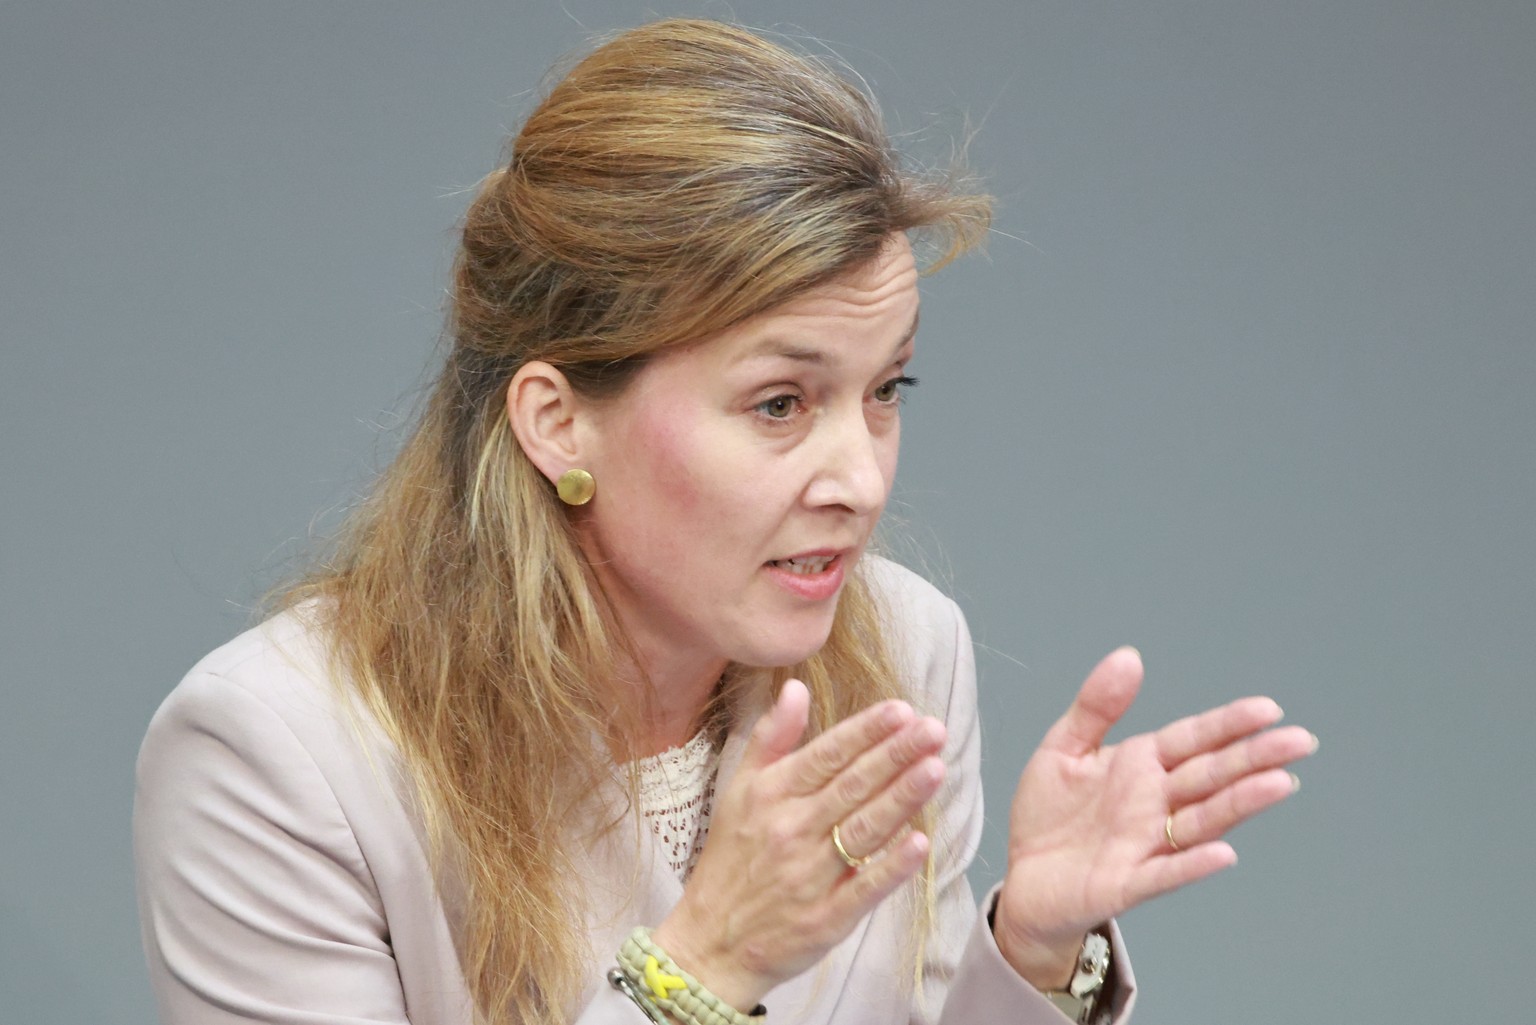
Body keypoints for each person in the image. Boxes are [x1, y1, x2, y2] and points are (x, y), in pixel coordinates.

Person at [133, 18, 1316, 1025]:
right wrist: (701, 972)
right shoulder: (275, 754)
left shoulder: (904, 654)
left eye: (885, 390)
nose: (860, 474)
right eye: (780, 402)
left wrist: (1034, 949)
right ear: (557, 422)